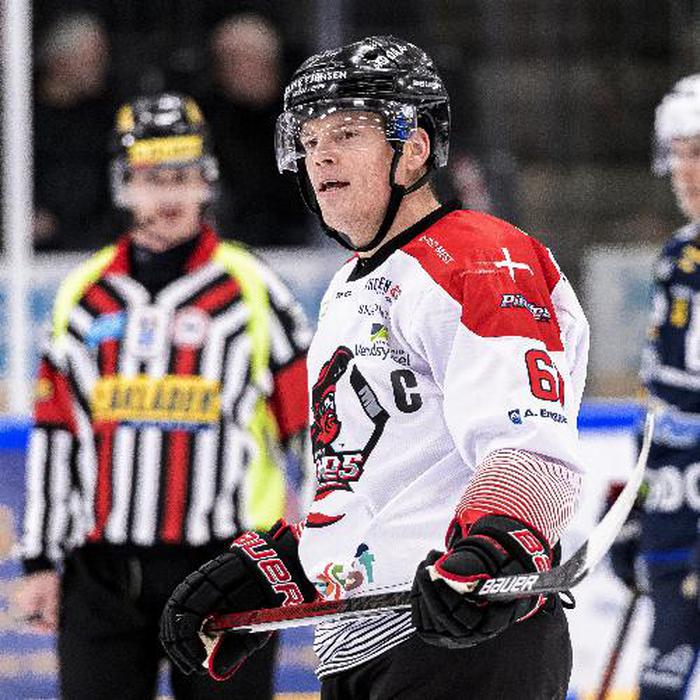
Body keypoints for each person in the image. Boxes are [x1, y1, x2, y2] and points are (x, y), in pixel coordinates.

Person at [159, 36, 590, 698]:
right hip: (362, 642)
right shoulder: (350, 286)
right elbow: (372, 482)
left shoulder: (479, 258)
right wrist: (281, 570)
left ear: (413, 149)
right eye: (308, 140)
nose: (320, 155)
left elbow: (531, 449)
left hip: (461, 639)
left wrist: (497, 548)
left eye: (347, 133)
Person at [14, 92, 312, 699]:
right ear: (124, 186)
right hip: (104, 574)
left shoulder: (254, 291)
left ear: (207, 181)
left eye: (182, 176)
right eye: (152, 179)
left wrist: (311, 541)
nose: (169, 195)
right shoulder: (84, 294)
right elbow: (56, 433)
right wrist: (41, 562)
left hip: (229, 567)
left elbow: (311, 427)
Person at [608, 74, 700, 699]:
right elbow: (664, 404)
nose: (686, 172)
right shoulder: (677, 257)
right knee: (658, 688)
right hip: (677, 510)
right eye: (680, 153)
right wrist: (639, 502)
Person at [196, 12, 311, 247]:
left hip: (302, 247)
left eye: (244, 59)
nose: (235, 70)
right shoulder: (206, 123)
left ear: (270, 63)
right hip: (228, 243)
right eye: (226, 61)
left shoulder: (304, 119)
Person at [33, 12, 116, 251]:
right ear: (59, 62)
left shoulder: (104, 118)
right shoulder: (20, 118)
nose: (102, 67)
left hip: (91, 247)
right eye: (93, 60)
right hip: (30, 254)